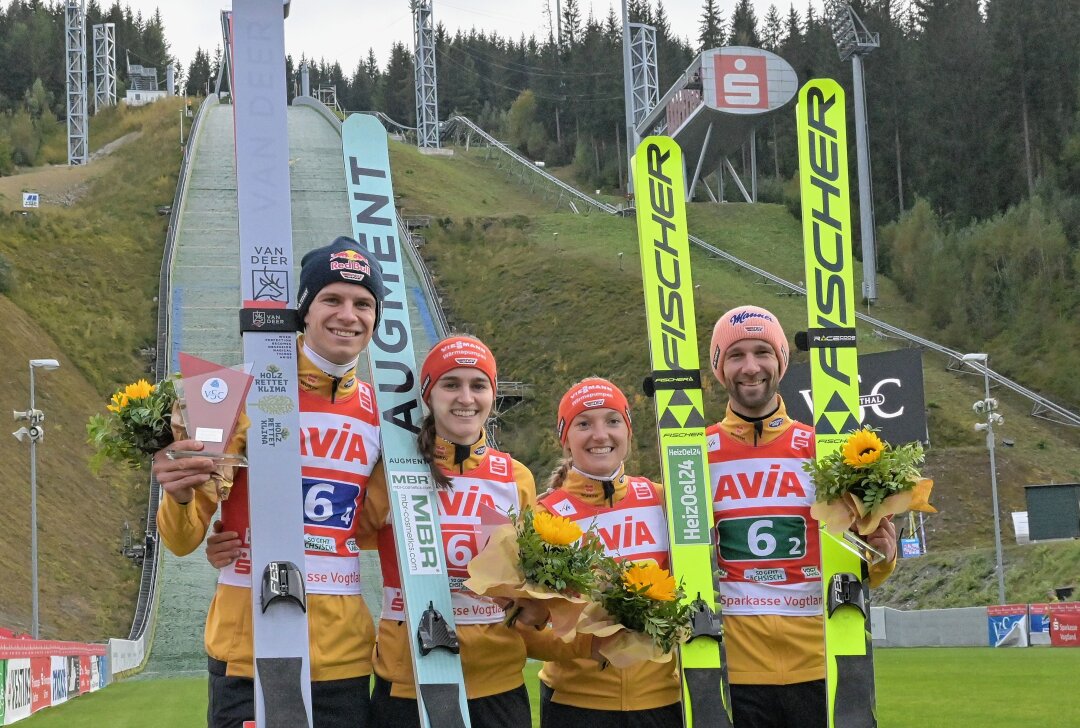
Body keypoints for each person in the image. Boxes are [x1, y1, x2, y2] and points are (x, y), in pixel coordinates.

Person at [153, 236, 386, 728]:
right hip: (247, 648)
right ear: (304, 308)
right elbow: (182, 538)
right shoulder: (229, 392)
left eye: (363, 303)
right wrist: (176, 493)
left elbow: (365, 530)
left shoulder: (384, 416)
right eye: (332, 298)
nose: (348, 314)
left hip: (343, 659)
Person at [706, 305, 898, 728]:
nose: (751, 367)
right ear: (720, 367)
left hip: (822, 660)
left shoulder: (823, 450)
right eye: (736, 355)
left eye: (763, 352)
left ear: (781, 361)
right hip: (733, 669)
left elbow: (861, 558)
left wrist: (881, 557)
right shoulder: (697, 456)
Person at [364, 336, 536, 727]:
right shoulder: (391, 472)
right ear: (428, 394)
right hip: (408, 678)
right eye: (451, 384)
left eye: (478, 385)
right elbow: (339, 537)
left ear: (492, 395)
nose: (465, 397)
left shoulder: (516, 477)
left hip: (496, 683)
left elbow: (532, 577)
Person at [523, 378, 682, 728]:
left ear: (627, 430)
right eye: (584, 423)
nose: (600, 435)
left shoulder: (662, 498)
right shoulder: (544, 516)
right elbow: (523, 630)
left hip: (660, 700)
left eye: (612, 421)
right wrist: (586, 646)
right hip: (576, 704)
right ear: (564, 439)